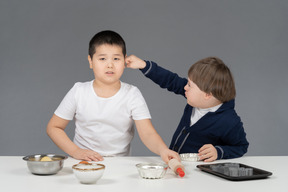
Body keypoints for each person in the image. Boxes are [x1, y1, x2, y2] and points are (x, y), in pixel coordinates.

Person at [46, 30, 179, 163]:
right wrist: (76, 151)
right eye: (102, 59)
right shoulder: (79, 91)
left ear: (125, 61)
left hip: (120, 165)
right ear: (90, 61)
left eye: (116, 59)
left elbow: (148, 133)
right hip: (82, 163)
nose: (110, 65)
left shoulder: (132, 94)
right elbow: (54, 127)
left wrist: (163, 150)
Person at [125, 55, 249, 162]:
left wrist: (219, 152)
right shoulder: (195, 97)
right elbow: (170, 80)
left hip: (200, 175)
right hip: (176, 164)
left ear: (207, 94)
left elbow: (241, 146)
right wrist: (144, 65)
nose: (185, 87)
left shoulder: (229, 121)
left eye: (190, 85)